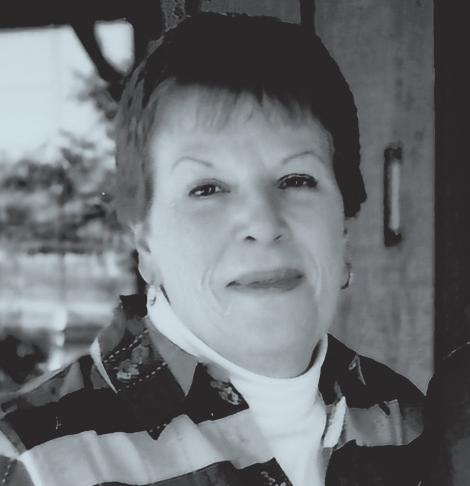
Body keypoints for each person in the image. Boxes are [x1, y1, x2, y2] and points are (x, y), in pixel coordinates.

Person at [0, 13, 425, 486]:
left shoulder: (403, 422)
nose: (263, 224)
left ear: (343, 223)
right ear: (144, 240)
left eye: (297, 179)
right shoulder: (32, 459)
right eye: (207, 189)